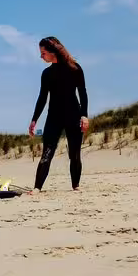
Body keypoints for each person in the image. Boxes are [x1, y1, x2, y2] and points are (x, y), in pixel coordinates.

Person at [28, 36, 89, 194]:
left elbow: (82, 94)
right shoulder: (47, 74)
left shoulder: (75, 68)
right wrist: (34, 119)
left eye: (43, 53)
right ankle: (37, 188)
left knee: (74, 154)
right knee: (47, 152)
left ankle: (76, 186)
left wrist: (84, 116)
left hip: (73, 116)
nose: (41, 56)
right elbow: (42, 98)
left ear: (52, 51)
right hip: (53, 117)